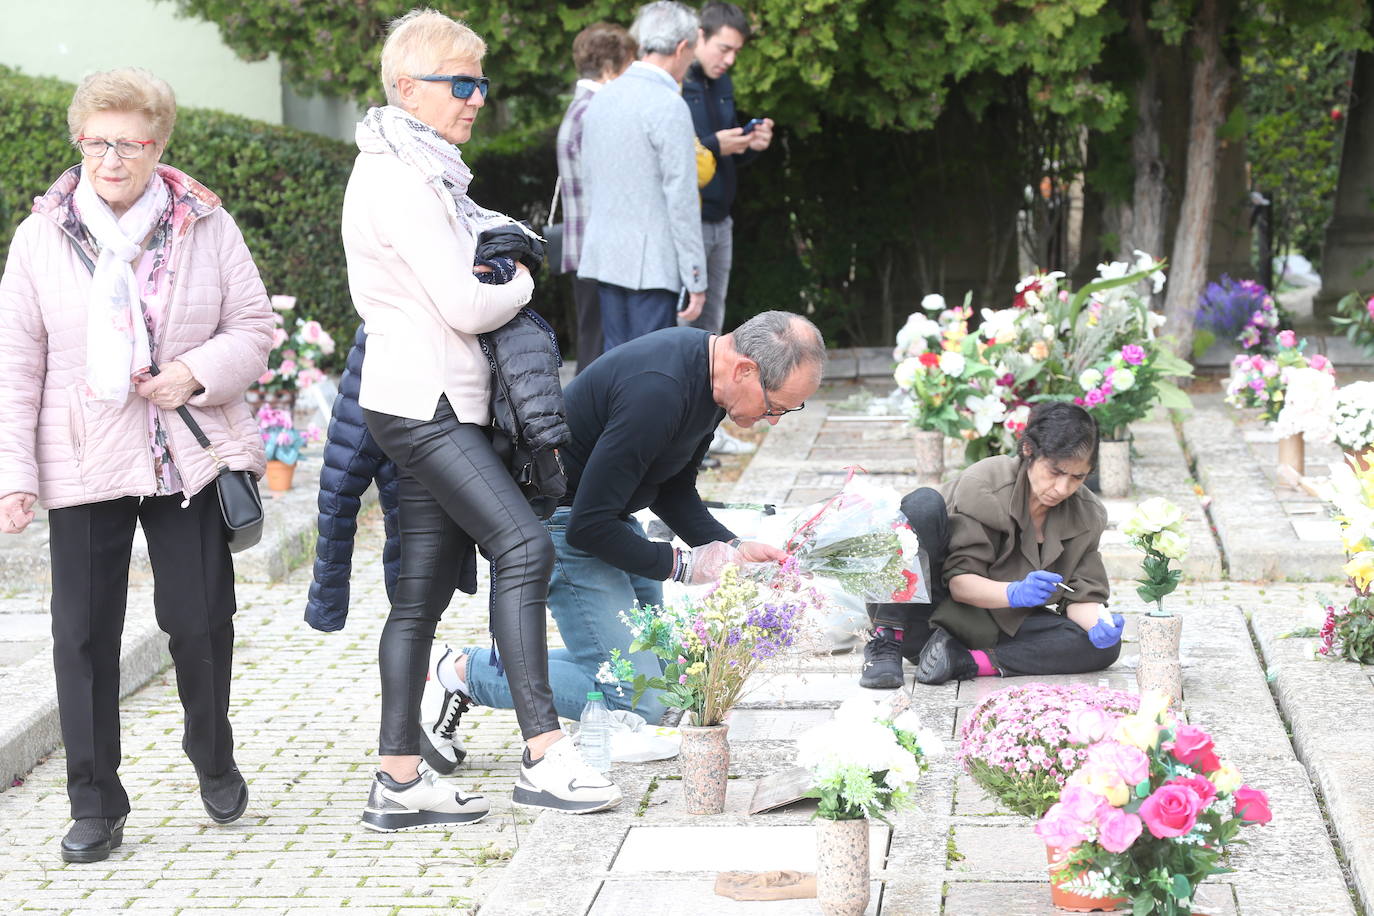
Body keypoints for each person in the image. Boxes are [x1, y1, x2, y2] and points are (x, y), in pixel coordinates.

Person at [342, 9, 621, 825]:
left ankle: (398, 781)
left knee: (420, 597)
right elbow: (468, 301)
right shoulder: (398, 177)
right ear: (406, 88)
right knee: (525, 546)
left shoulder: (424, 166)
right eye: (459, 83)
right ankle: (545, 755)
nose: (475, 98)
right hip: (426, 404)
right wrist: (526, 278)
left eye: (480, 82)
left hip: (430, 400)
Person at [0, 68, 274, 863]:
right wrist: (15, 472)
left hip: (183, 454)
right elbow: (17, 363)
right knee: (82, 634)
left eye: (130, 142)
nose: (111, 157)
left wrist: (197, 370)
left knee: (198, 622)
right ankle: (94, 802)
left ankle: (212, 755)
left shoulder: (206, 225)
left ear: (160, 146)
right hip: (82, 457)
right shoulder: (42, 236)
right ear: (78, 140)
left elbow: (254, 326)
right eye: (97, 140)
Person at [427, 311, 823, 731]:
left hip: (608, 520)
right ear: (746, 369)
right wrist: (682, 565)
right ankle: (458, 672)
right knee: (641, 704)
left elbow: (672, 487)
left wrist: (731, 546)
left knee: (670, 678)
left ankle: (485, 664)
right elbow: (587, 526)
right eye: (776, 405)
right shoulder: (659, 391)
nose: (775, 419)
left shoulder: (710, 378)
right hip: (562, 527)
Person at [859, 401, 1123, 689]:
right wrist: (1015, 592)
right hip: (927, 613)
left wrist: (1099, 623)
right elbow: (960, 584)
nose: (1063, 488)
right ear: (1028, 451)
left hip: (991, 628)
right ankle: (886, 642)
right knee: (922, 503)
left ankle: (967, 661)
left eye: (1077, 477)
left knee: (1103, 647)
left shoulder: (1088, 513)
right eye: (1055, 472)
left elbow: (1082, 597)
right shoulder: (985, 483)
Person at [578, 1, 708, 351]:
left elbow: (589, 181)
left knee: (618, 367)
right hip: (652, 265)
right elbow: (680, 197)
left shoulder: (602, 99)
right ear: (682, 48)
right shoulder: (668, 104)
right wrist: (696, 275)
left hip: (606, 256)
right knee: (651, 369)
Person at [682, 3, 774, 459]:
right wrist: (719, 144)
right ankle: (682, 425)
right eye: (723, 48)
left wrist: (751, 145)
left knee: (714, 328)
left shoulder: (723, 84)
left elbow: (722, 155)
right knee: (687, 328)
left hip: (722, 217)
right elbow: (682, 155)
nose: (729, 59)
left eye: (736, 51)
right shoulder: (677, 82)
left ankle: (707, 428)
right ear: (698, 37)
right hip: (688, 220)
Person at [556, 23, 638, 374]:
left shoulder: (582, 109)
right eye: (629, 67)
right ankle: (585, 428)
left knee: (596, 344)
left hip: (588, 249)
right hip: (602, 252)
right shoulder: (597, 112)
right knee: (600, 354)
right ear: (609, 67)